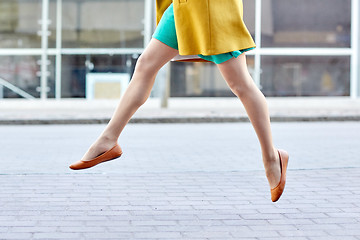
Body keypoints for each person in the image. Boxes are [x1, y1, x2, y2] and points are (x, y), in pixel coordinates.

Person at [69, 0, 289, 202]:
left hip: (210, 6)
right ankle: (108, 139)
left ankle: (271, 158)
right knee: (145, 65)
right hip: (184, 4)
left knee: (240, 83)